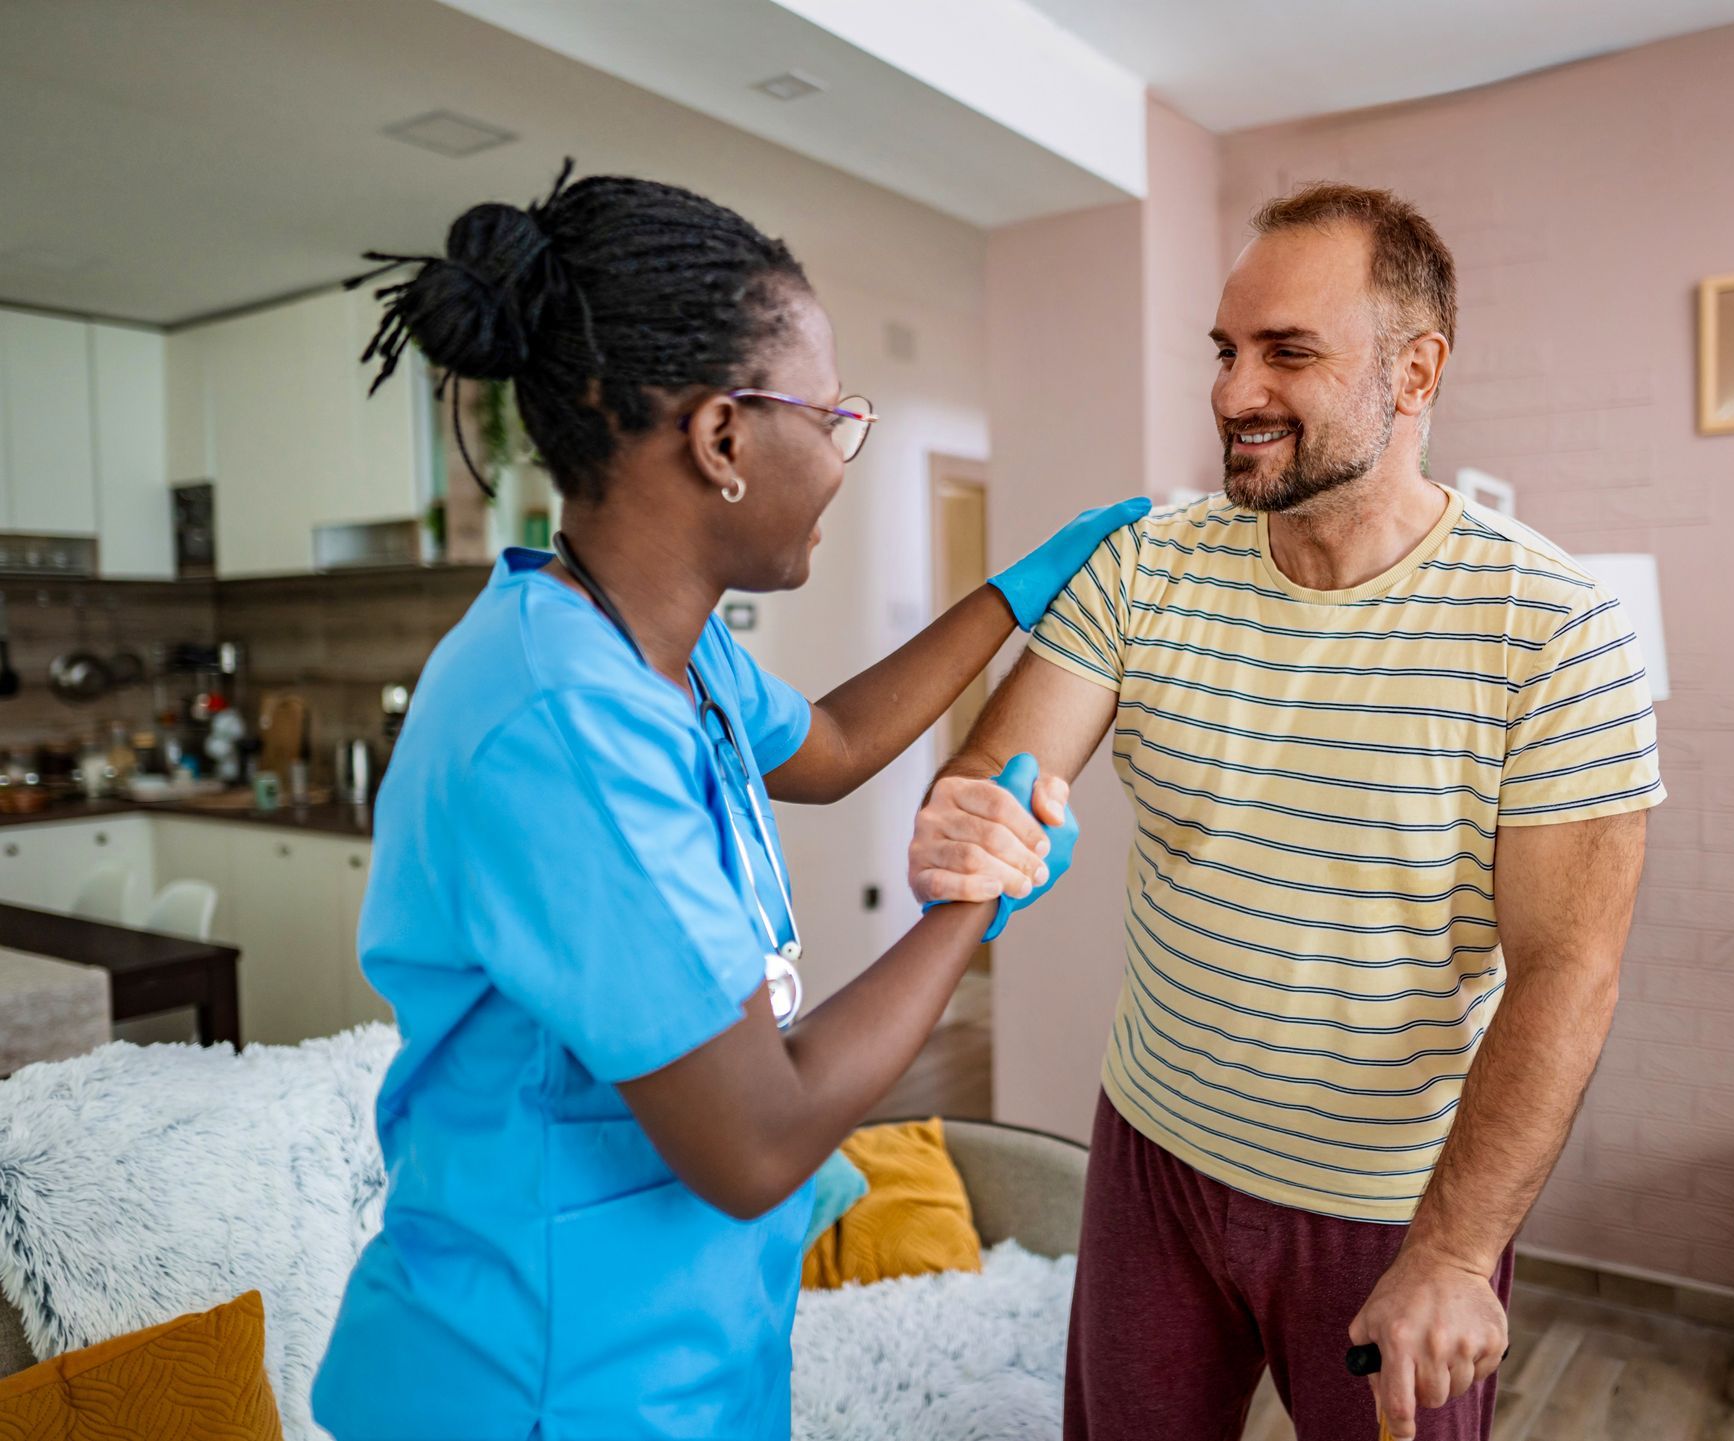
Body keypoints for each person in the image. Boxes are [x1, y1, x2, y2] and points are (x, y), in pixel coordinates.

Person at [309, 163, 1142, 1441]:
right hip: (545, 1385)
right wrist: (973, 908)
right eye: (836, 419)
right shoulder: (564, 724)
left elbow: (838, 741)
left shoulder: (658, 642)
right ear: (724, 437)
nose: (847, 456)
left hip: (688, 1357)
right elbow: (756, 1138)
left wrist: (1017, 594)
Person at [912, 183, 1663, 1441]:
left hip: (1393, 1205)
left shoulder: (1555, 628)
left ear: (1415, 371)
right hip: (1151, 1150)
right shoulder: (1147, 563)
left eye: (1288, 352)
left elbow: (1568, 972)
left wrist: (1458, 1250)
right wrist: (969, 820)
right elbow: (1002, 774)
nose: (1233, 391)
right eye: (1226, 349)